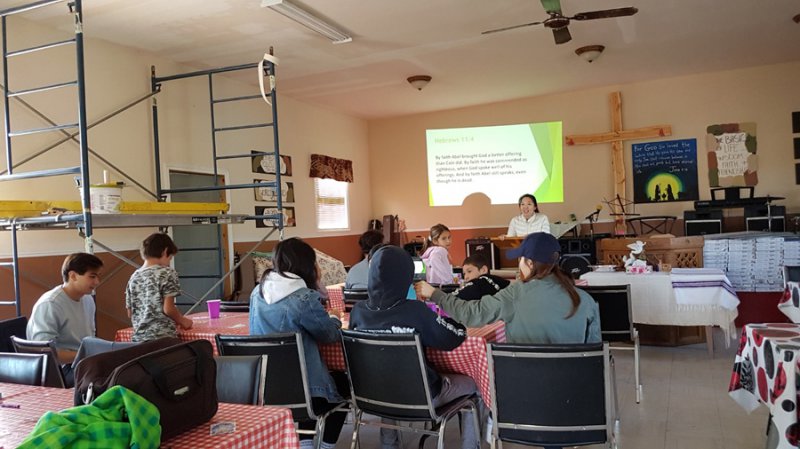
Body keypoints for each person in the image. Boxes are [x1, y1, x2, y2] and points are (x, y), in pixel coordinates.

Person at [349, 245, 480, 449]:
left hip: (372, 394)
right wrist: (458, 323)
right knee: (474, 383)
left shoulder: (358, 311)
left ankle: (388, 444)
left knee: (387, 379)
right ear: (405, 276)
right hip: (421, 396)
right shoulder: (415, 311)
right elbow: (452, 339)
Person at [416, 232, 600, 345]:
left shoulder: (515, 294)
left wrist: (435, 294)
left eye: (520, 260)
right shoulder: (585, 300)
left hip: (521, 388)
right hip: (571, 388)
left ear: (529, 263)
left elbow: (471, 314)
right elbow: (593, 354)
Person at [249, 238, 347, 449]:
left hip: (265, 389)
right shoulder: (304, 298)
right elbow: (329, 335)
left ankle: (305, 444)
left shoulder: (257, 293)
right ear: (307, 264)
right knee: (343, 385)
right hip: (306, 391)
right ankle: (324, 446)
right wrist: (334, 317)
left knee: (304, 378)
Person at [27, 252, 103, 385]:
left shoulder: (88, 300)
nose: (97, 282)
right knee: (106, 378)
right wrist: (84, 355)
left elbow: (89, 338)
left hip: (81, 362)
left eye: (98, 276)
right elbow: (45, 353)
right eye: (92, 276)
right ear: (73, 276)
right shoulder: (50, 304)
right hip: (59, 369)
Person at [125, 233, 192, 342]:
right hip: (162, 337)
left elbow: (130, 312)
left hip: (138, 339)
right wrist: (183, 321)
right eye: (170, 258)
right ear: (165, 251)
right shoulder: (167, 273)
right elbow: (168, 309)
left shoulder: (133, 277)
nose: (169, 262)